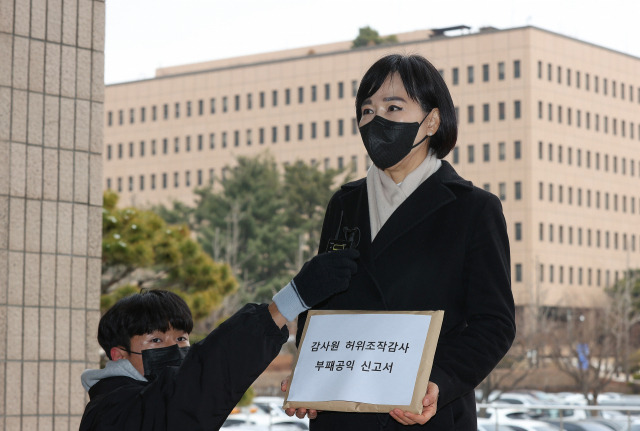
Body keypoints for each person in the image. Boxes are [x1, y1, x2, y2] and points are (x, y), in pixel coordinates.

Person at [283, 54, 516, 430]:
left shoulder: (474, 209)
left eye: (393, 107)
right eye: (367, 110)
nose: (377, 120)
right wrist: (311, 375)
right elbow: (319, 304)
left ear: (432, 121)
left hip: (427, 414)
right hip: (342, 416)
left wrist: (438, 381)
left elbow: (494, 323)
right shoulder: (344, 204)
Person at [79, 248, 359, 431]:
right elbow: (192, 386)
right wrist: (287, 304)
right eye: (155, 340)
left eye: (181, 338)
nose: (174, 348)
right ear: (118, 355)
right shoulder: (108, 414)